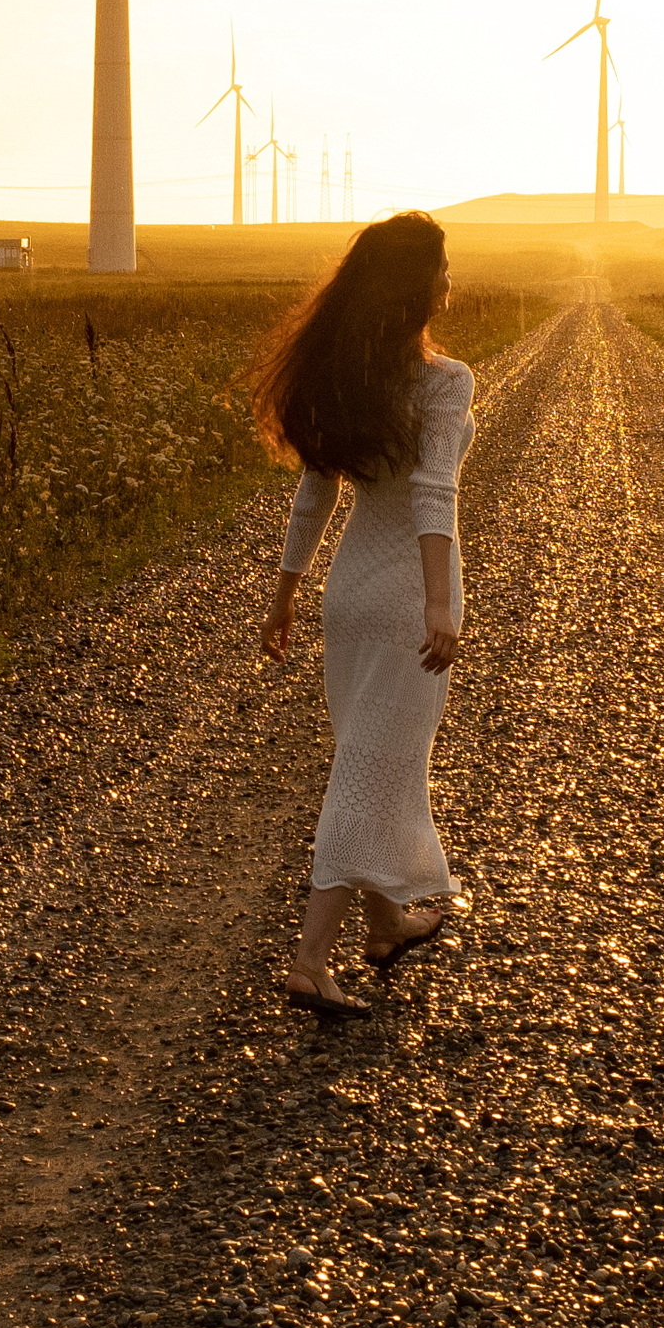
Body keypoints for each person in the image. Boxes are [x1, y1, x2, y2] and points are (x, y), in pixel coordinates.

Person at [255, 212, 473, 1016]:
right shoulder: (445, 383)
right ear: (419, 285)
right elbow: (432, 490)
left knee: (377, 752)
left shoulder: (346, 378)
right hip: (405, 596)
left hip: (347, 596)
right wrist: (440, 599)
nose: (452, 279)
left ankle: (387, 921)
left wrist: (285, 593)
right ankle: (311, 961)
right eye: (444, 266)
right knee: (368, 769)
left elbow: (315, 492)